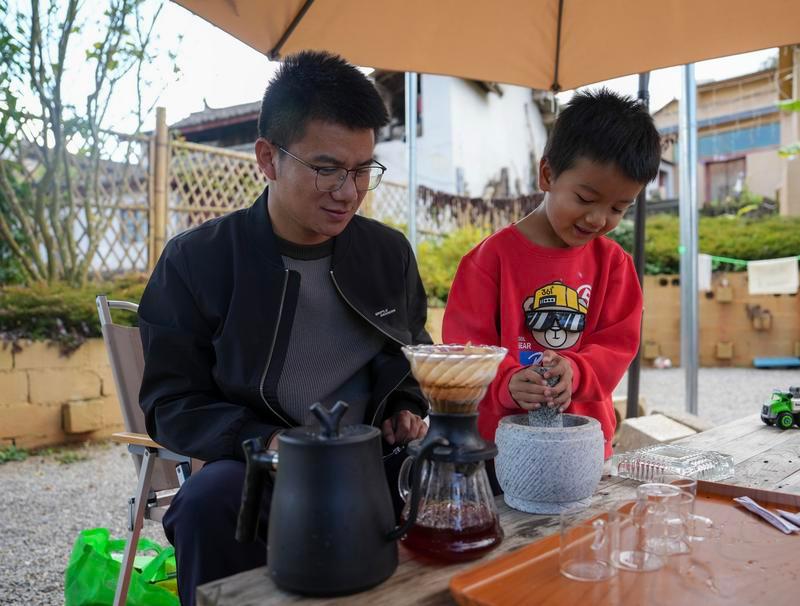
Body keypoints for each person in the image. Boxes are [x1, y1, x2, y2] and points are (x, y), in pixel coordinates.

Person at [138, 51, 430, 605]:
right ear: (268, 159)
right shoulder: (198, 261)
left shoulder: (387, 254)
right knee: (206, 502)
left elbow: (411, 355)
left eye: (363, 169)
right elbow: (171, 402)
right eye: (327, 168)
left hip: (372, 464)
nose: (348, 191)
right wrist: (268, 442)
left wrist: (403, 406)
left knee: (479, 475)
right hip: (261, 473)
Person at [442, 89, 661, 478]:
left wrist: (577, 371)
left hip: (584, 445)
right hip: (502, 451)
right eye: (585, 198)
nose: (598, 219)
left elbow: (617, 346)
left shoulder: (614, 265)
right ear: (547, 175)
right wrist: (507, 381)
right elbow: (465, 350)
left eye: (618, 208)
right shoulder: (488, 261)